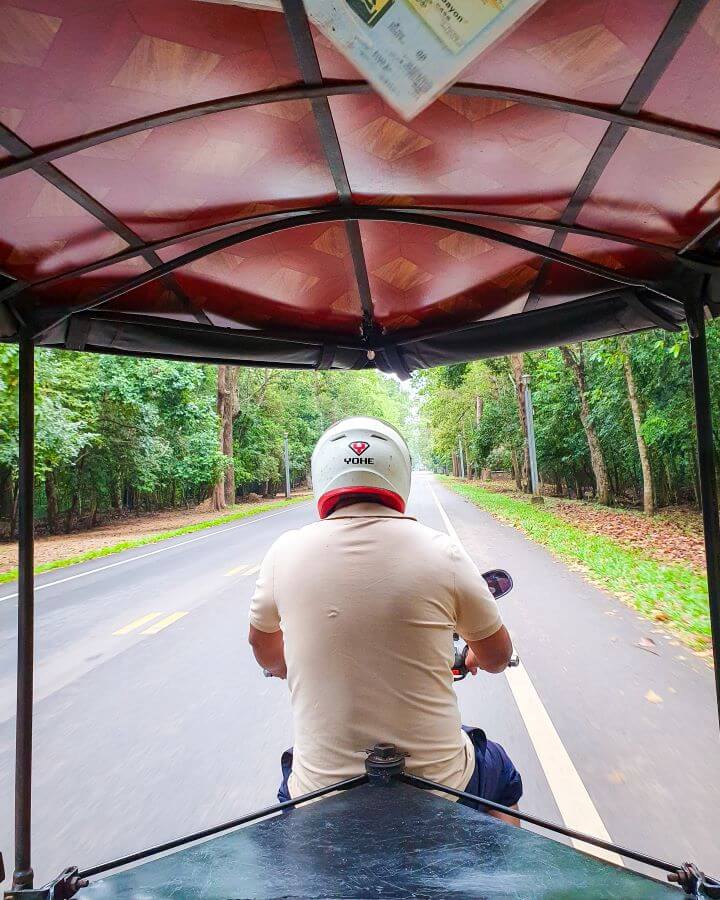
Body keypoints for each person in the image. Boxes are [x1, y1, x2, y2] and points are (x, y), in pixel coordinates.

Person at [248, 416, 522, 824]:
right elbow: (499, 656)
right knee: (501, 776)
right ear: (398, 475)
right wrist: (476, 659)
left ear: (323, 474)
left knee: (295, 789)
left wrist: (283, 666)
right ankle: (507, 881)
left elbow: (262, 647)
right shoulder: (442, 553)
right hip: (443, 789)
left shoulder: (283, 553)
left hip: (318, 796)